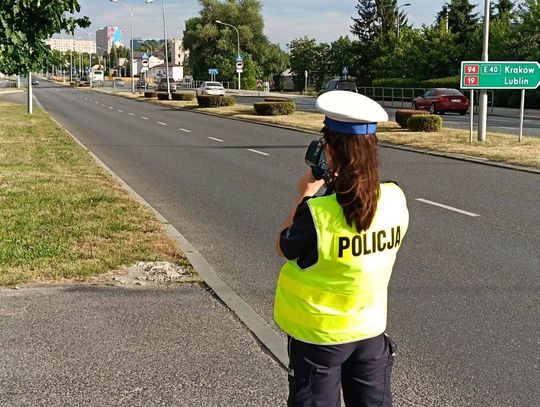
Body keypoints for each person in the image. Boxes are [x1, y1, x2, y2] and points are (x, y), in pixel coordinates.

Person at [274, 90, 409, 407]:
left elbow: (284, 245)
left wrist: (304, 195)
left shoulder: (319, 213)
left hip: (320, 337)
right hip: (370, 331)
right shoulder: (394, 198)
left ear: (330, 150)